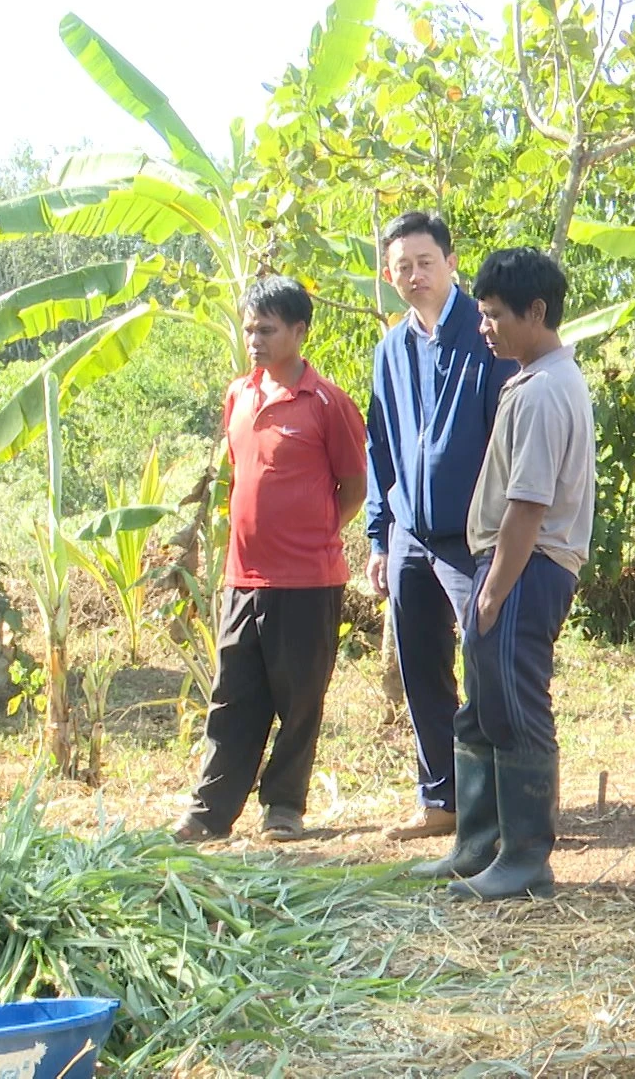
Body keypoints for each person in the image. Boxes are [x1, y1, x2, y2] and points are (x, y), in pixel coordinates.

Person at [421, 247, 595, 900]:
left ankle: (525, 857)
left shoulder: (549, 390)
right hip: (509, 564)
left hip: (527, 565)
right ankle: (479, 844)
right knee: (483, 707)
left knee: (517, 707)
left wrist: (492, 592)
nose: (484, 326)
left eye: (494, 315)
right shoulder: (530, 378)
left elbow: (529, 504)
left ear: (537, 311)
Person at [173, 276, 367, 844]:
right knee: (233, 696)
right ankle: (210, 813)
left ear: (299, 332)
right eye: (249, 327)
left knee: (300, 698)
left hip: (308, 580)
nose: (253, 338)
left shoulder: (327, 403)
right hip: (242, 576)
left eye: (267, 328)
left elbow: (353, 487)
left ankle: (284, 807)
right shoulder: (239, 395)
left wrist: (318, 532)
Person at [363, 213, 518, 842]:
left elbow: (509, 436)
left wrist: (507, 531)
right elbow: (379, 446)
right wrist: (379, 534)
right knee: (421, 664)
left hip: (473, 536)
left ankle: (510, 797)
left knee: (488, 659)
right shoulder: (390, 349)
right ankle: (441, 800)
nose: (415, 275)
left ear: (451, 263)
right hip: (409, 534)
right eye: (402, 266)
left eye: (426, 262)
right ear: (388, 275)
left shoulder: (482, 336)